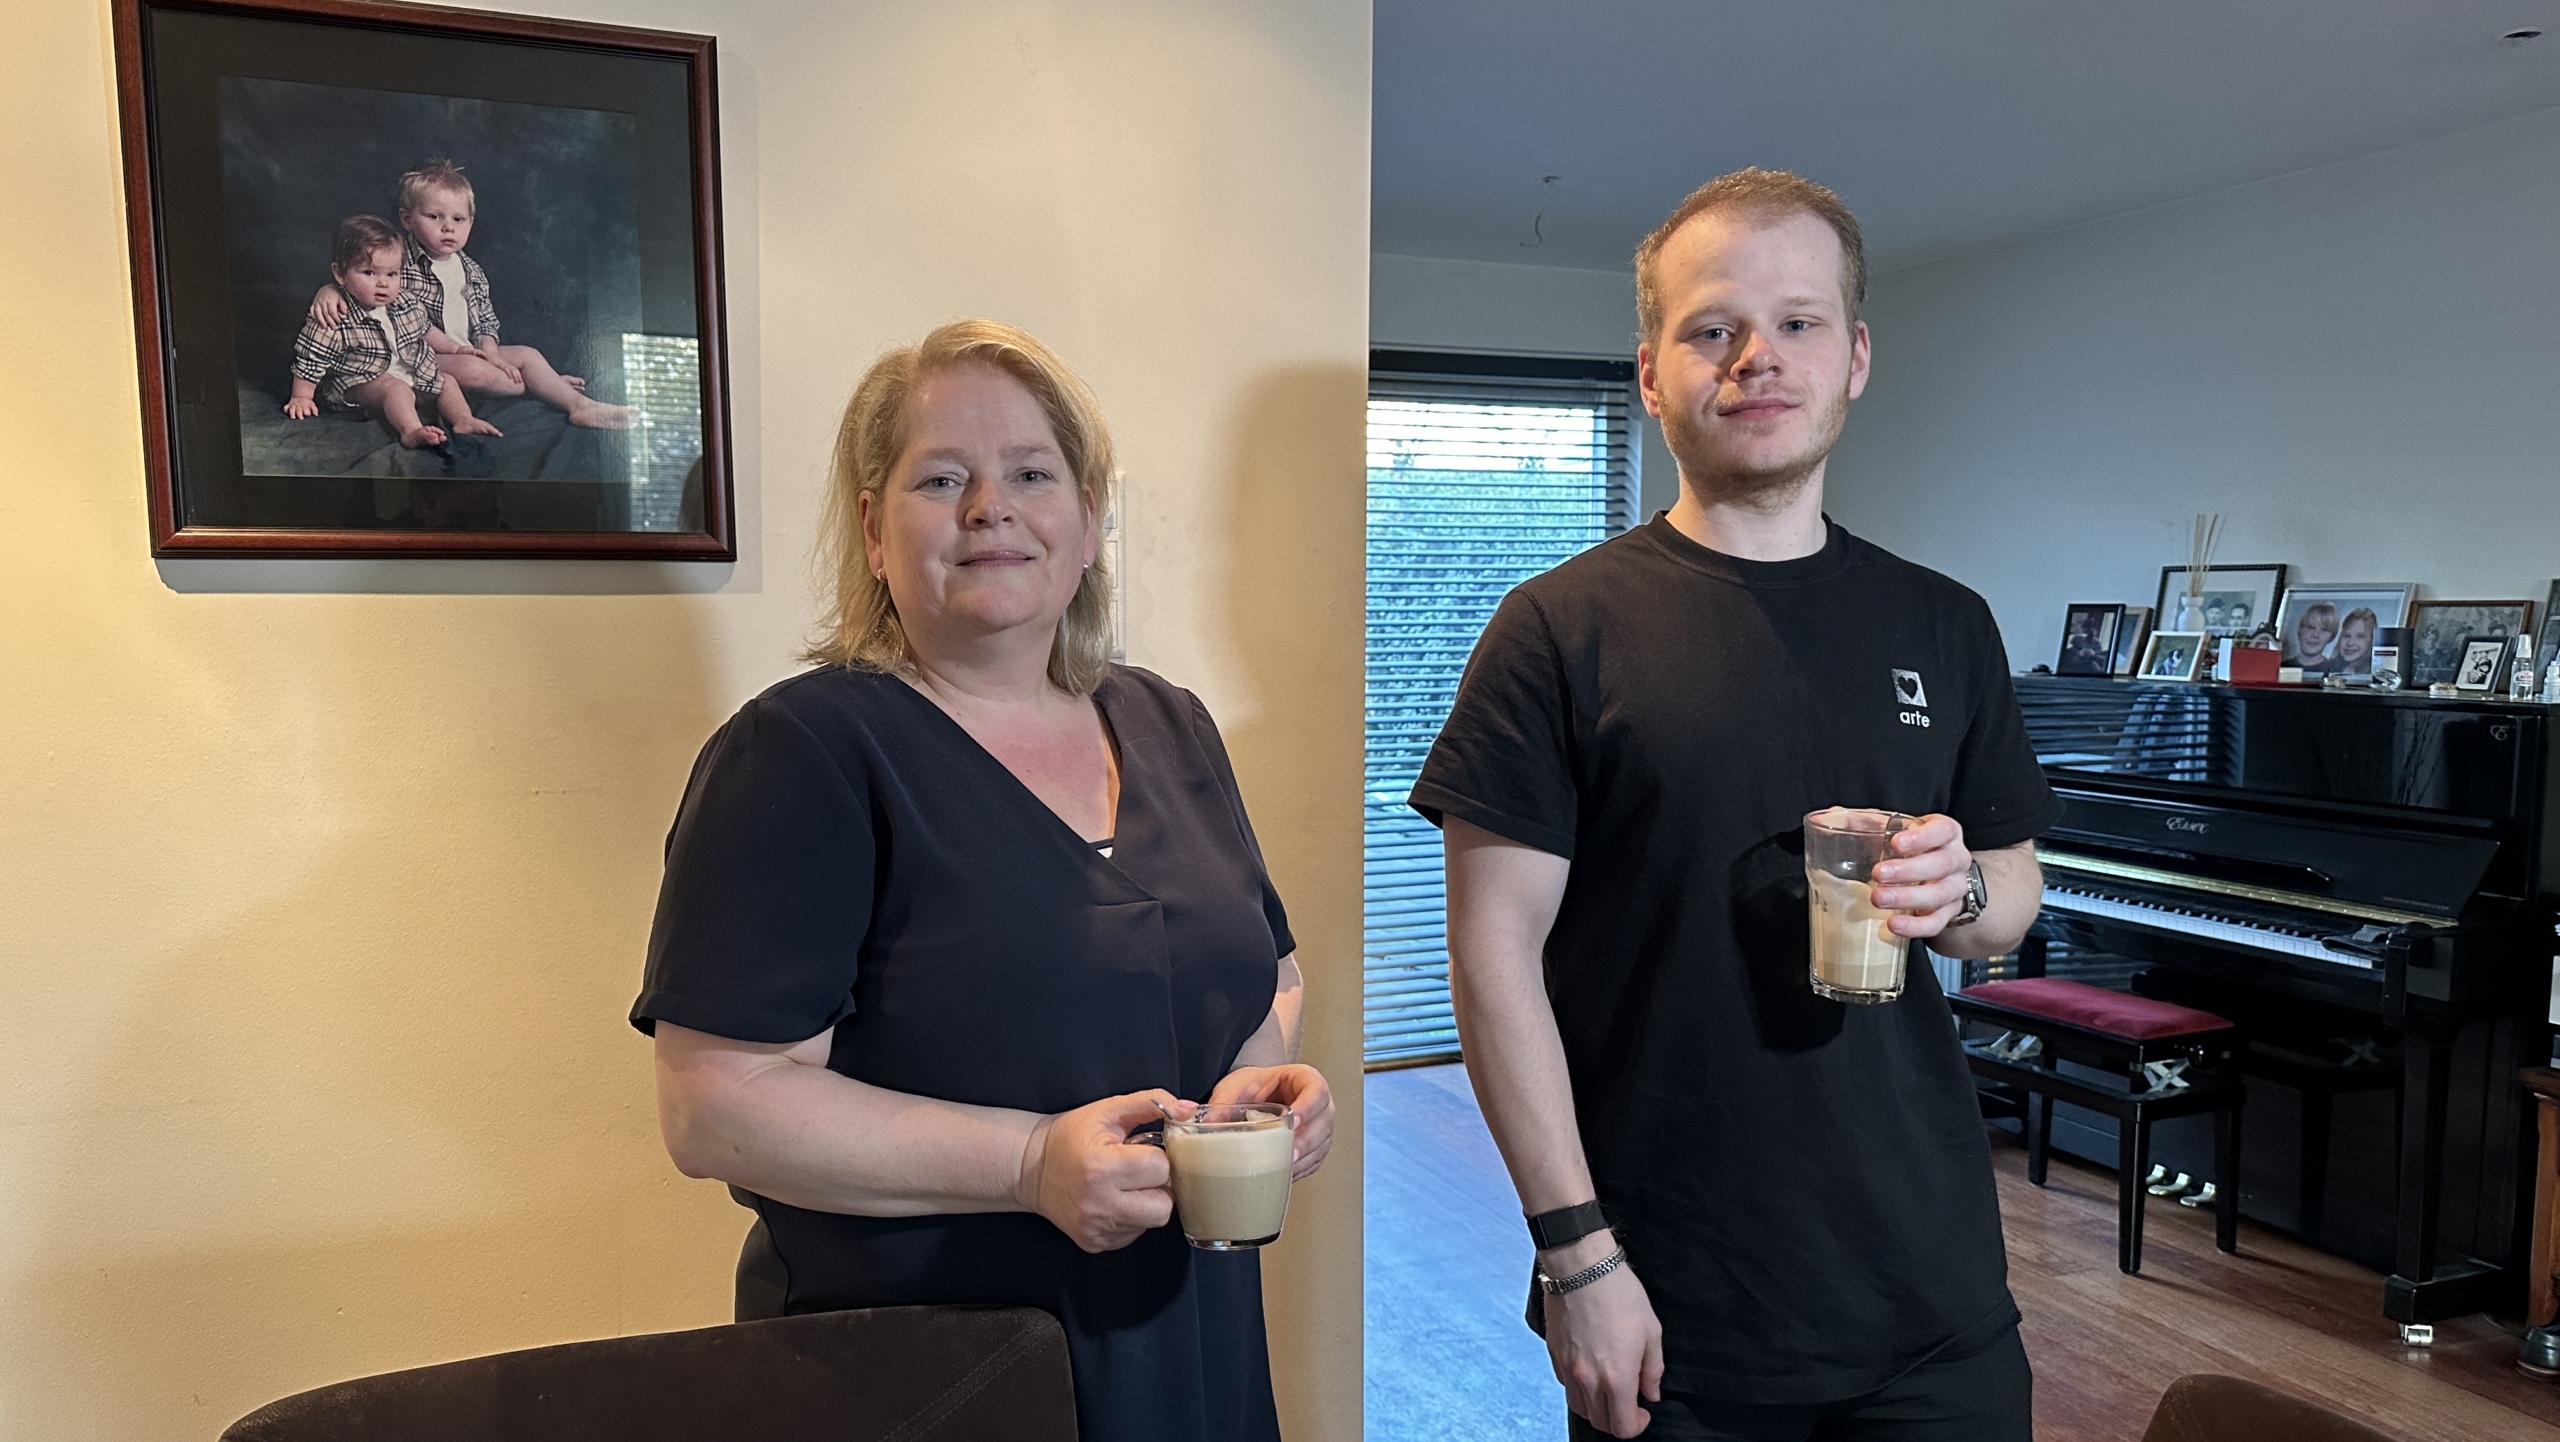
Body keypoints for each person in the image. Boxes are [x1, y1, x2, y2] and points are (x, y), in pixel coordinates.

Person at [1412, 169, 2060, 1441]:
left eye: (1799, 323)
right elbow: (1494, 963)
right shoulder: (1557, 629)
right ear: (1650, 370)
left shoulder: (1946, 619)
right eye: (1712, 327)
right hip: (1672, 1300)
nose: (1756, 357)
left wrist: (1963, 885)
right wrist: (1575, 1257)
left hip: (1932, 1294)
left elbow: (2013, 897)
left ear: (1854, 356)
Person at [630, 320, 1331, 1439]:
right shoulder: (806, 752)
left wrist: (1255, 1084)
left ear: (1090, 519)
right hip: (932, 1369)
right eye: (941, 477)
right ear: (871, 529)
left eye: (1031, 474)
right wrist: (1026, 1162)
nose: (988, 508)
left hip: (1188, 1340)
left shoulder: (1169, 721)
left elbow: (1271, 966)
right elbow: (713, 1107)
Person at [308, 160, 631, 430]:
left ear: (470, 223)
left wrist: (491, 350)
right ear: (407, 218)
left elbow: (485, 320)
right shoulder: (396, 261)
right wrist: (329, 289)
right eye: (434, 217)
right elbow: (362, 282)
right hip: (420, 355)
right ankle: (540, 385)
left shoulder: (470, 270)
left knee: (528, 354)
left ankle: (579, 405)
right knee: (481, 372)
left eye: (458, 219)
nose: (448, 227)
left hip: (469, 350)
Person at [284, 214, 501, 449]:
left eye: (392, 274)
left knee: (446, 381)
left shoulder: (404, 302)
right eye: (369, 273)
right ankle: (411, 431)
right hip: (359, 383)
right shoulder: (335, 314)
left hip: (407, 372)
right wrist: (302, 396)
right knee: (394, 388)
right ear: (340, 274)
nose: (383, 283)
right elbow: (311, 355)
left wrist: (456, 348)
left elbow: (426, 330)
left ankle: (463, 420)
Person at [2288, 601, 2340, 674]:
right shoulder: (2282, 667)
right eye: (2310, 627)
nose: (2315, 635)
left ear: (2331, 636)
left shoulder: (2335, 671)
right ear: (2300, 630)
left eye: (2324, 630)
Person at [2333, 607, 2377, 677]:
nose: (2350, 643)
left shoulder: (2375, 673)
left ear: (2371, 640)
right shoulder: (2329, 668)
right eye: (2346, 636)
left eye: (2360, 637)